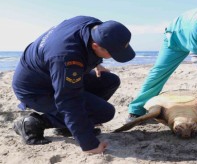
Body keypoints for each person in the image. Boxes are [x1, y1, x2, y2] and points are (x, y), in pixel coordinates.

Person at [12, 16, 135, 154]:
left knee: (109, 81)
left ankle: (66, 125)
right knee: (105, 112)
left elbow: (84, 48)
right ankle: (33, 123)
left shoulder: (91, 25)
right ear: (96, 46)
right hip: (36, 89)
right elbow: (68, 101)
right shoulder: (66, 57)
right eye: (112, 54)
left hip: (52, 73)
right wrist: (89, 145)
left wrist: (96, 63)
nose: (113, 57)